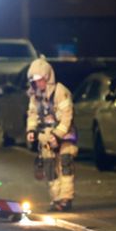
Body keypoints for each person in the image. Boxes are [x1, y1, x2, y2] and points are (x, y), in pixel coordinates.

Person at [25, 57, 77, 212]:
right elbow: (33, 114)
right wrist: (31, 131)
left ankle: (66, 199)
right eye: (35, 81)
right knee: (49, 169)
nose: (37, 83)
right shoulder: (35, 95)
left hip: (64, 137)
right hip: (46, 138)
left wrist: (58, 135)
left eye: (40, 80)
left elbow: (67, 116)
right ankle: (56, 199)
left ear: (47, 78)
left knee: (65, 166)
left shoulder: (60, 92)